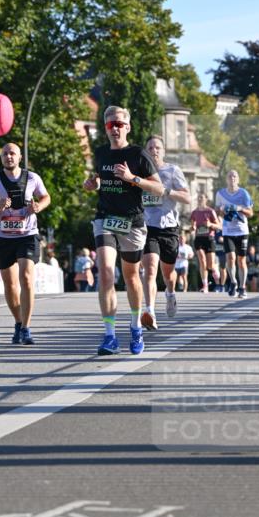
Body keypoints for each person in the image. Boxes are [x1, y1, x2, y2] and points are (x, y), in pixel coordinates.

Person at [83, 106, 163, 356]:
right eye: (110, 125)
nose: (115, 128)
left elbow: (159, 189)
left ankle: (136, 326)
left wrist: (132, 178)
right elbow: (96, 180)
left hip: (132, 221)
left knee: (131, 276)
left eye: (119, 124)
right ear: (106, 129)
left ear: (127, 127)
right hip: (105, 218)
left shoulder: (138, 154)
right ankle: (109, 336)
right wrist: (91, 184)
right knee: (105, 273)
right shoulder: (101, 153)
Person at [0, 141, 51, 345]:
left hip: (28, 235)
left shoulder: (33, 178)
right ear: (1, 158)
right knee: (10, 285)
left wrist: (39, 206)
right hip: (4, 238)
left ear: (20, 157)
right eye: (4, 154)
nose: (8, 157)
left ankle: (27, 328)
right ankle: (18, 322)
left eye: (12, 153)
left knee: (26, 277)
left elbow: (46, 197)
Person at [140, 135, 191, 329]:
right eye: (150, 147)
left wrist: (166, 192)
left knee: (168, 274)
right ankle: (150, 311)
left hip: (169, 227)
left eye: (157, 148)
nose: (154, 150)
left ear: (163, 151)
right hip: (147, 227)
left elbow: (187, 197)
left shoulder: (172, 170)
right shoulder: (141, 172)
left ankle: (170, 293)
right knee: (150, 268)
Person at [214, 169, 254, 299]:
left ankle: (242, 287)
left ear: (238, 179)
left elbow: (251, 213)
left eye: (235, 176)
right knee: (230, 258)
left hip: (242, 230)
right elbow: (217, 211)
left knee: (241, 260)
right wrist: (221, 211)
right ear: (226, 179)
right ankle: (233, 282)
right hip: (227, 231)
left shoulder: (244, 193)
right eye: (230, 176)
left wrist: (240, 208)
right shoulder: (220, 194)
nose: (232, 178)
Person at [189, 192, 221, 293]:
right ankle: (205, 286)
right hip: (199, 238)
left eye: (202, 198)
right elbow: (192, 226)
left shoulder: (210, 211)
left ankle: (215, 270)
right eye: (198, 198)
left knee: (210, 265)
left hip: (209, 239)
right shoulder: (194, 212)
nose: (200, 199)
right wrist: (192, 228)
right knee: (202, 262)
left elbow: (219, 226)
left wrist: (210, 224)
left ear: (206, 199)